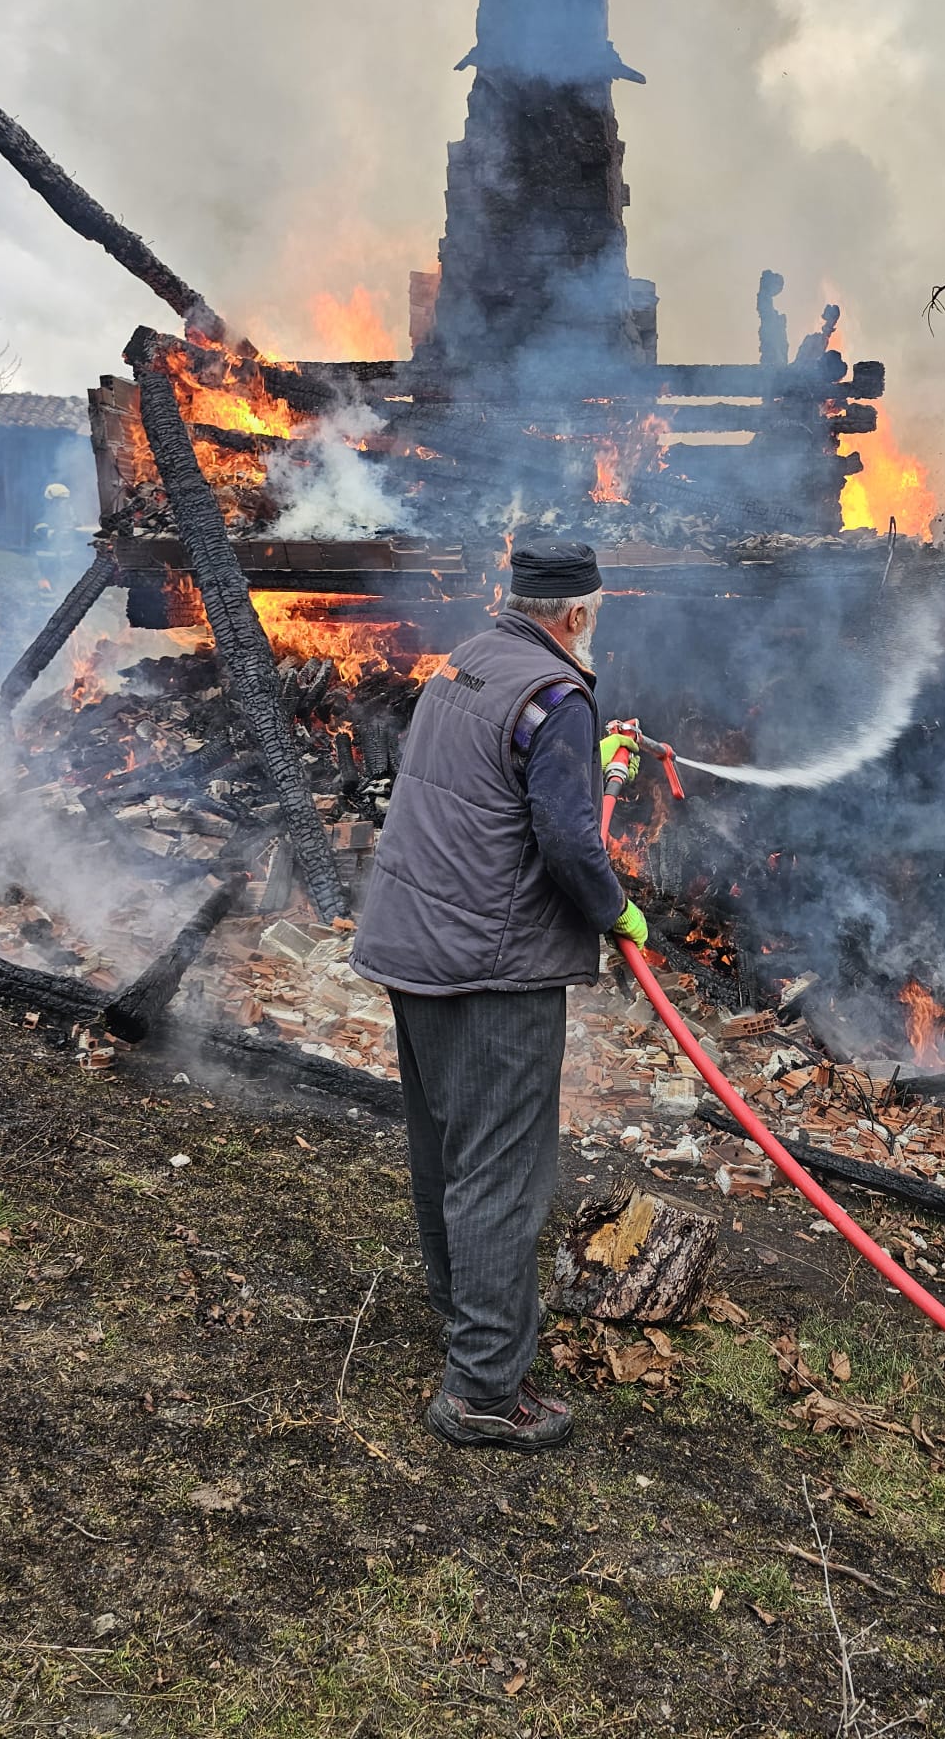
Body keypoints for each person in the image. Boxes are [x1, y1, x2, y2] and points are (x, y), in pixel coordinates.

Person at [351, 539, 647, 1453]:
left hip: (413, 944)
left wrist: (587, 764)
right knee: (503, 1174)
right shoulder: (558, 696)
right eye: (595, 611)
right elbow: (565, 842)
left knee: (447, 1145)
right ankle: (482, 1388)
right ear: (576, 614)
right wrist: (618, 911)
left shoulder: (467, 665)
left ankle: (466, 1311)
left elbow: (491, 784)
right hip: (491, 968)